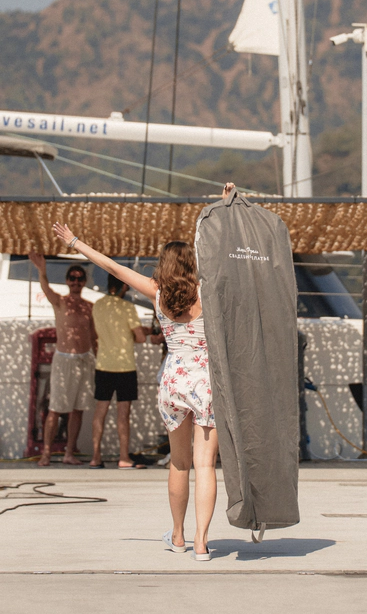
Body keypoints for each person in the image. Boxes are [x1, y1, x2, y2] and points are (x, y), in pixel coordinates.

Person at [51, 187, 234, 560]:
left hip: (172, 382)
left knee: (179, 463)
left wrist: (75, 242)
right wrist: (227, 208)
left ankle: (178, 536)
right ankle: (202, 543)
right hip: (205, 382)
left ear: (164, 266)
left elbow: (113, 268)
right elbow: (224, 253)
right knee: (205, 465)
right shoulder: (208, 292)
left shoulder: (157, 292)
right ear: (192, 265)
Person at [28, 254, 97, 467]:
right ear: (67, 281)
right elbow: (45, 287)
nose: (76, 282)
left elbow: (93, 336)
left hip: (84, 360)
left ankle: (69, 452)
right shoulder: (60, 301)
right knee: (56, 408)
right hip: (64, 360)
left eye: (79, 278)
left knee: (78, 409)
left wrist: (99, 359)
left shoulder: (89, 306)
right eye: (72, 278)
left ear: (84, 282)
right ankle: (46, 453)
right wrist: (42, 269)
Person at [90, 274, 148, 469]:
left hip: (103, 364)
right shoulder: (128, 307)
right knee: (123, 415)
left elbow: (95, 333)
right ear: (123, 287)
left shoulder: (98, 305)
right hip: (125, 367)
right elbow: (140, 337)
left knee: (100, 411)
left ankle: (95, 457)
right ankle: (124, 457)